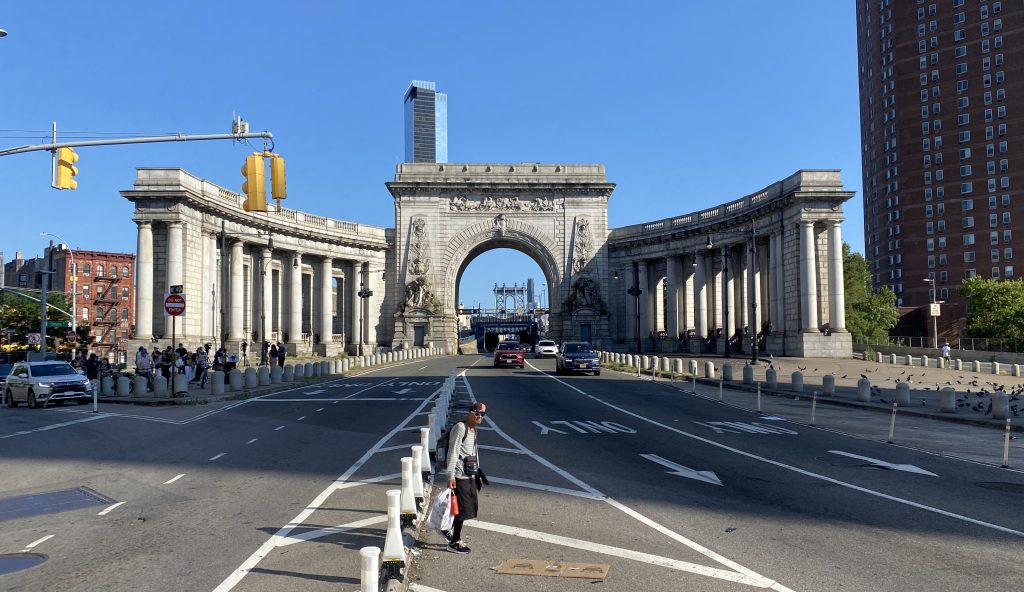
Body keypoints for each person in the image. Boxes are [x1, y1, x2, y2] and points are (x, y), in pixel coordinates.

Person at [444, 401, 487, 554]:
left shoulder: (473, 430)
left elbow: (474, 453)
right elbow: (453, 452)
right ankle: (454, 541)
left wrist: (478, 474)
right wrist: (450, 475)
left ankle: (446, 529)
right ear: (470, 412)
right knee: (462, 510)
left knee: (469, 507)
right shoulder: (460, 428)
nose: (479, 417)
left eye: (482, 414)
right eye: (477, 413)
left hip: (469, 475)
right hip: (459, 475)